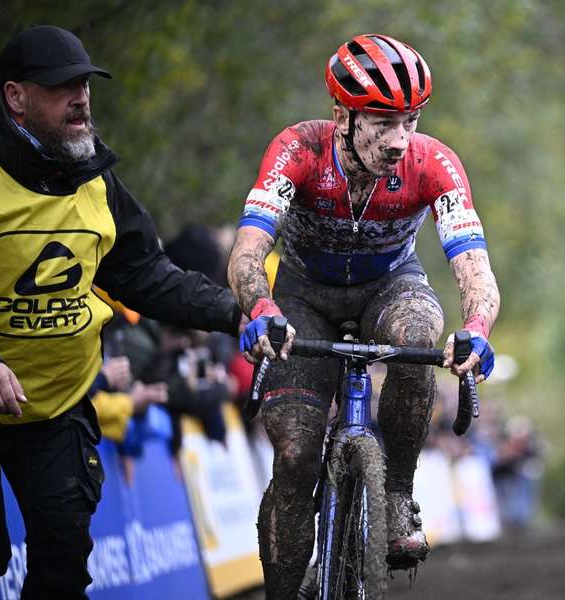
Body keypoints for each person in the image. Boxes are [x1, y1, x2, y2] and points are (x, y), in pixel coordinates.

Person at [228, 34, 500, 596]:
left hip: (391, 287)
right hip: (304, 297)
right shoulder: (298, 149)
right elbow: (247, 253)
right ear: (342, 115)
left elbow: (476, 272)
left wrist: (475, 328)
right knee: (297, 454)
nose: (400, 140)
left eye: (410, 121)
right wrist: (260, 308)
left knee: (420, 332)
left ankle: (397, 494)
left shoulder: (436, 163)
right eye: (382, 122)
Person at [0, 26, 242, 598]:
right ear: (16, 98)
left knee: (63, 562)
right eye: (62, 87)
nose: (81, 97)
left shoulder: (96, 180)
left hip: (54, 408)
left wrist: (238, 315)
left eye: (84, 84)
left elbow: (147, 277)